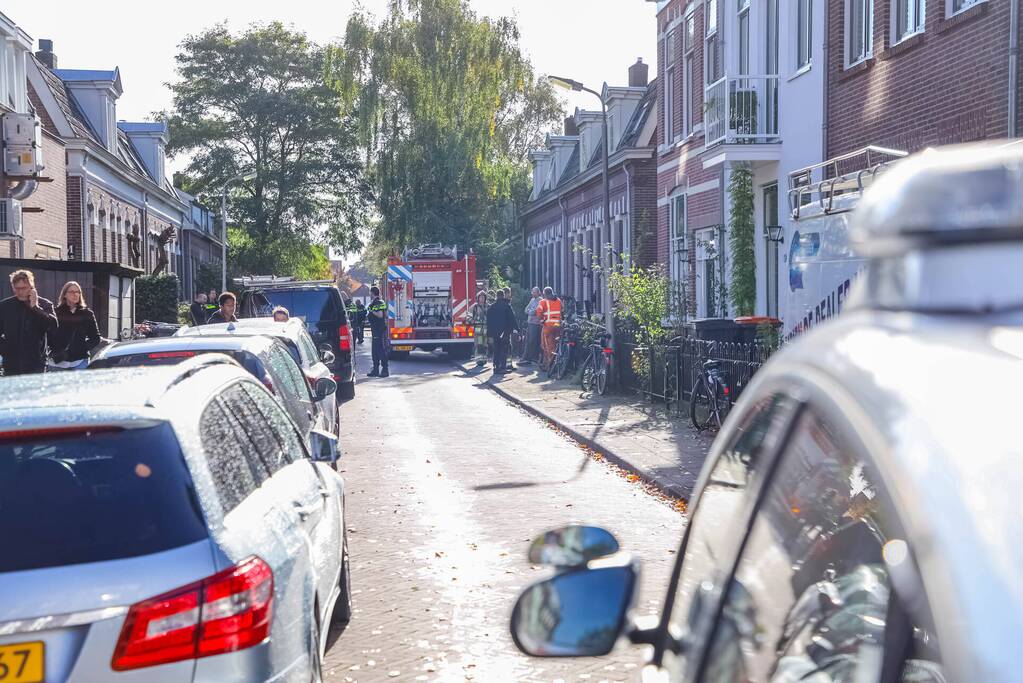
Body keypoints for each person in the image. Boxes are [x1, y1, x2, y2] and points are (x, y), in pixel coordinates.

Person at [0, 269, 58, 376]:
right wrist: (5, 350)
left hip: (36, 363)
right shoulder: (5, 306)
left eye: (23, 288)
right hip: (12, 364)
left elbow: (52, 326)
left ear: (31, 287)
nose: (20, 292)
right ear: (13, 287)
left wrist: (35, 307)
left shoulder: (44, 304)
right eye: (17, 288)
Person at [49, 281, 101, 370]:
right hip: (57, 363)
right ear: (64, 294)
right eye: (72, 292)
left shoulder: (87, 314)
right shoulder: (55, 313)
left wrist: (81, 348)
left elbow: (96, 338)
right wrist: (54, 351)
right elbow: (48, 335)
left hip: (80, 362)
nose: (75, 294)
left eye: (78, 292)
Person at [486, 289, 518, 374]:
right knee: (504, 349)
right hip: (505, 332)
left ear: (496, 296)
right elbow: (512, 319)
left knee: (496, 349)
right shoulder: (507, 306)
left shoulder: (491, 307)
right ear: (503, 295)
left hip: (495, 333)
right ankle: (502, 367)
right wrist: (516, 329)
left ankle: (496, 366)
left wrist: (489, 333)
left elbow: (488, 321)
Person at [536, 287, 563, 370]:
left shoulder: (543, 302)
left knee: (548, 345)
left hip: (548, 326)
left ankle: (550, 364)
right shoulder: (558, 300)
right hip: (557, 325)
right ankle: (555, 362)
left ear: (545, 294)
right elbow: (562, 311)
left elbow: (539, 312)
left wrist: (541, 321)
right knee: (556, 343)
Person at [366, 286, 389, 377]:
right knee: (375, 350)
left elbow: (380, 315)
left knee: (380, 350)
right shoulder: (378, 302)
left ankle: (385, 370)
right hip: (376, 329)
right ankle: (375, 369)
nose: (369, 294)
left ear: (372, 293)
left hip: (378, 329)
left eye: (370, 292)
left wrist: (371, 311)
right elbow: (386, 315)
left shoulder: (378, 302)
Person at [521, 286, 542, 365]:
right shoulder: (532, 300)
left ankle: (530, 358)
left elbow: (535, 312)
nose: (532, 293)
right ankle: (525, 357)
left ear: (538, 292)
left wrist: (530, 311)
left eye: (534, 292)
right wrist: (530, 311)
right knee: (527, 340)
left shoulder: (541, 301)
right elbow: (526, 309)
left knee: (532, 341)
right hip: (529, 322)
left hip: (535, 323)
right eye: (532, 292)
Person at [469, 291, 490, 367]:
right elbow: (468, 318)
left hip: (486, 327)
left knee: (485, 344)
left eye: (483, 297)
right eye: (480, 297)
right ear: (478, 298)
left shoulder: (488, 306)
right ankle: (479, 360)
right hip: (478, 328)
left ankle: (484, 359)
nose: (482, 298)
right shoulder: (474, 307)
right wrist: (475, 321)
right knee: (479, 344)